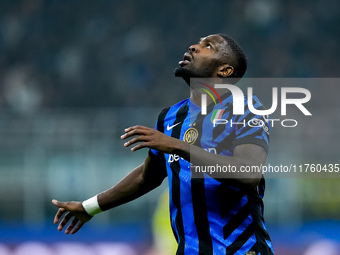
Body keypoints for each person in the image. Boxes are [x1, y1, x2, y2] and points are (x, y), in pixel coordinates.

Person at [52, 33, 274, 255]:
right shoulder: (171, 117)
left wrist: (179, 146)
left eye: (208, 46)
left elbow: (249, 173)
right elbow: (146, 177)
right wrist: (89, 207)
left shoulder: (247, 109)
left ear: (225, 70)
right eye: (197, 42)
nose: (194, 47)